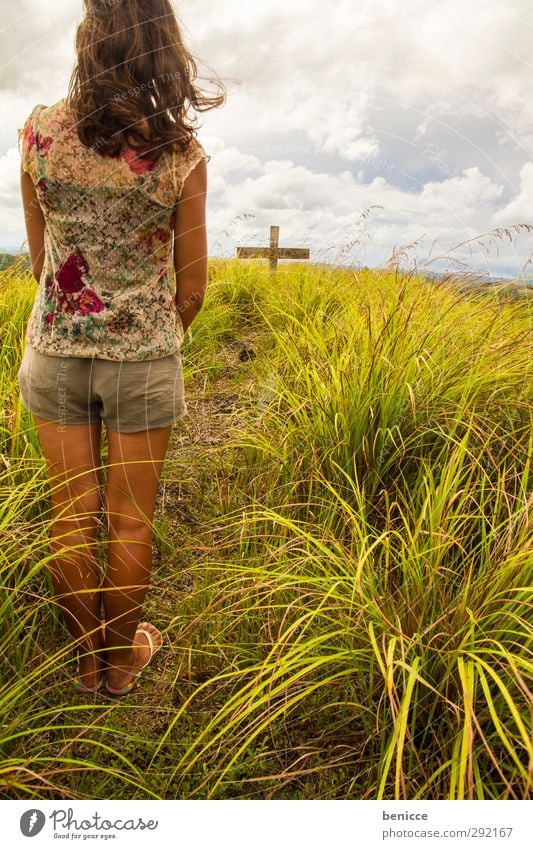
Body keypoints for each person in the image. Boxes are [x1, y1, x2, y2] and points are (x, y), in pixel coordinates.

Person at [16, 0, 226, 697]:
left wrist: (75, 313)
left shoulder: (38, 134)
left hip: (55, 349)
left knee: (71, 514)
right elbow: (191, 288)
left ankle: (82, 662)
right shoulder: (181, 155)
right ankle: (119, 664)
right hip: (141, 361)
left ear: (89, 42)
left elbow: (41, 258)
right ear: (164, 50)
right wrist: (147, 332)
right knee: (131, 519)